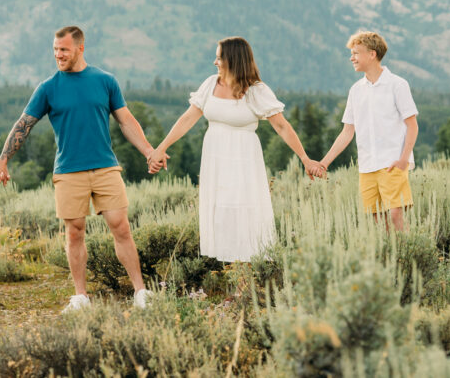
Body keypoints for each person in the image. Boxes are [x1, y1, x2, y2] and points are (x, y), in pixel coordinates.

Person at [0, 26, 158, 311]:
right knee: (74, 232)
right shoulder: (48, 87)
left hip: (105, 167)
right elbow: (23, 125)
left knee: (121, 227)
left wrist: (149, 151)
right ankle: (81, 297)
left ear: (80, 48)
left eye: (63, 49)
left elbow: (126, 121)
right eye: (55, 50)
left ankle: (140, 293)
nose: (58, 55)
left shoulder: (105, 80)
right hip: (68, 171)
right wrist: (2, 160)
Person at [151, 37, 321, 262]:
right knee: (220, 212)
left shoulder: (256, 90)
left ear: (233, 59)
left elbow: (282, 126)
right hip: (215, 157)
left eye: (219, 57)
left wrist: (305, 159)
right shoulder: (211, 84)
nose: (215, 62)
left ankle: (245, 278)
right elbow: (187, 118)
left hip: (243, 158)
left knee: (243, 210)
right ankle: (229, 271)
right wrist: (161, 148)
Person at [313, 31, 419, 231]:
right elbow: (347, 132)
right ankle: (385, 259)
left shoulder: (398, 85)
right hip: (366, 166)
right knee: (377, 222)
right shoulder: (356, 90)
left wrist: (404, 159)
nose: (351, 58)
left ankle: (403, 258)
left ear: (372, 54)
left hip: (393, 162)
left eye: (356, 53)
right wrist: (324, 163)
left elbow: (412, 125)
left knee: (396, 216)